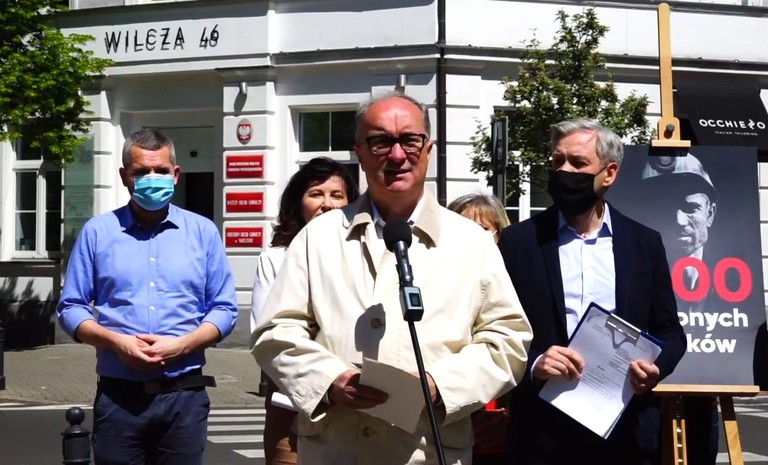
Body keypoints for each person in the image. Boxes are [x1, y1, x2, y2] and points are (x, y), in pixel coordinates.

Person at [252, 92, 532, 465]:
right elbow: (276, 331)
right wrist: (329, 380)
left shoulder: (471, 242)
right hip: (338, 449)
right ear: (359, 152)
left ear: (429, 149)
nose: (397, 155)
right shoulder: (317, 237)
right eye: (380, 141)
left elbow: (507, 339)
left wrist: (441, 386)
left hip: (427, 451)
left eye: (410, 140)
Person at [498, 118, 686, 465]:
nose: (564, 171)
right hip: (541, 433)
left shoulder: (643, 243)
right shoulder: (518, 242)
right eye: (558, 161)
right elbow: (496, 330)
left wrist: (655, 368)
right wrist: (536, 363)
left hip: (624, 433)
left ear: (609, 173)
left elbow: (671, 332)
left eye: (578, 163)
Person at [57, 128, 238, 465]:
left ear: (176, 174)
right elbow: (71, 308)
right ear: (125, 176)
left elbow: (225, 309)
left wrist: (183, 345)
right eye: (141, 172)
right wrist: (117, 343)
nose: (152, 178)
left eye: (161, 170)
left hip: (185, 395)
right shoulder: (98, 232)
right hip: (119, 397)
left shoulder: (203, 232)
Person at [250, 157, 359, 465]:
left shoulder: (364, 255)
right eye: (316, 194)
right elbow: (266, 332)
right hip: (293, 404)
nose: (327, 204)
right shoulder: (276, 258)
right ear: (298, 203)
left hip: (356, 402)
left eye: (337, 195)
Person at [640, 152, 720, 465]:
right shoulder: (628, 269)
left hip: (701, 397)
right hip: (642, 400)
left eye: (690, 207)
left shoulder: (735, 280)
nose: (677, 219)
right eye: (665, 205)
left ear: (710, 213)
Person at [447, 193, 511, 465]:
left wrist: (511, 420)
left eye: (483, 229)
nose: (472, 236)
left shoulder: (513, 287)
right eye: (463, 226)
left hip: (501, 440)